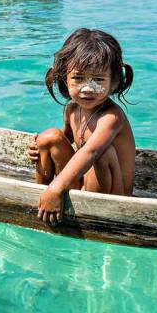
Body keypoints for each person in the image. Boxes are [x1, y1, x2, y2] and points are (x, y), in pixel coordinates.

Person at [28, 29, 136, 224]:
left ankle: (57, 195)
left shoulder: (111, 117)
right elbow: (66, 140)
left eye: (98, 79)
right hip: (83, 184)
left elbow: (91, 152)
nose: (88, 88)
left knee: (103, 151)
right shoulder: (71, 109)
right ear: (64, 78)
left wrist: (57, 187)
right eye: (78, 78)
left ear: (113, 82)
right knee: (49, 137)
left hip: (114, 194)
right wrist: (38, 148)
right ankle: (41, 198)